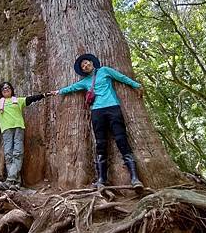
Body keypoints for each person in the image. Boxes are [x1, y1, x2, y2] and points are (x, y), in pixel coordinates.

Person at [52, 53, 144, 189]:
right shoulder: (84, 82)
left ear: (92, 63)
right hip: (97, 111)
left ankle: (135, 178)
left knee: (121, 140)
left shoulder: (105, 71)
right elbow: (72, 88)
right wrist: (59, 91)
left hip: (113, 108)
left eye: (87, 63)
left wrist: (136, 85)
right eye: (83, 66)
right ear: (82, 70)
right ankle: (102, 179)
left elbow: (121, 78)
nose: (85, 65)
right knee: (100, 143)